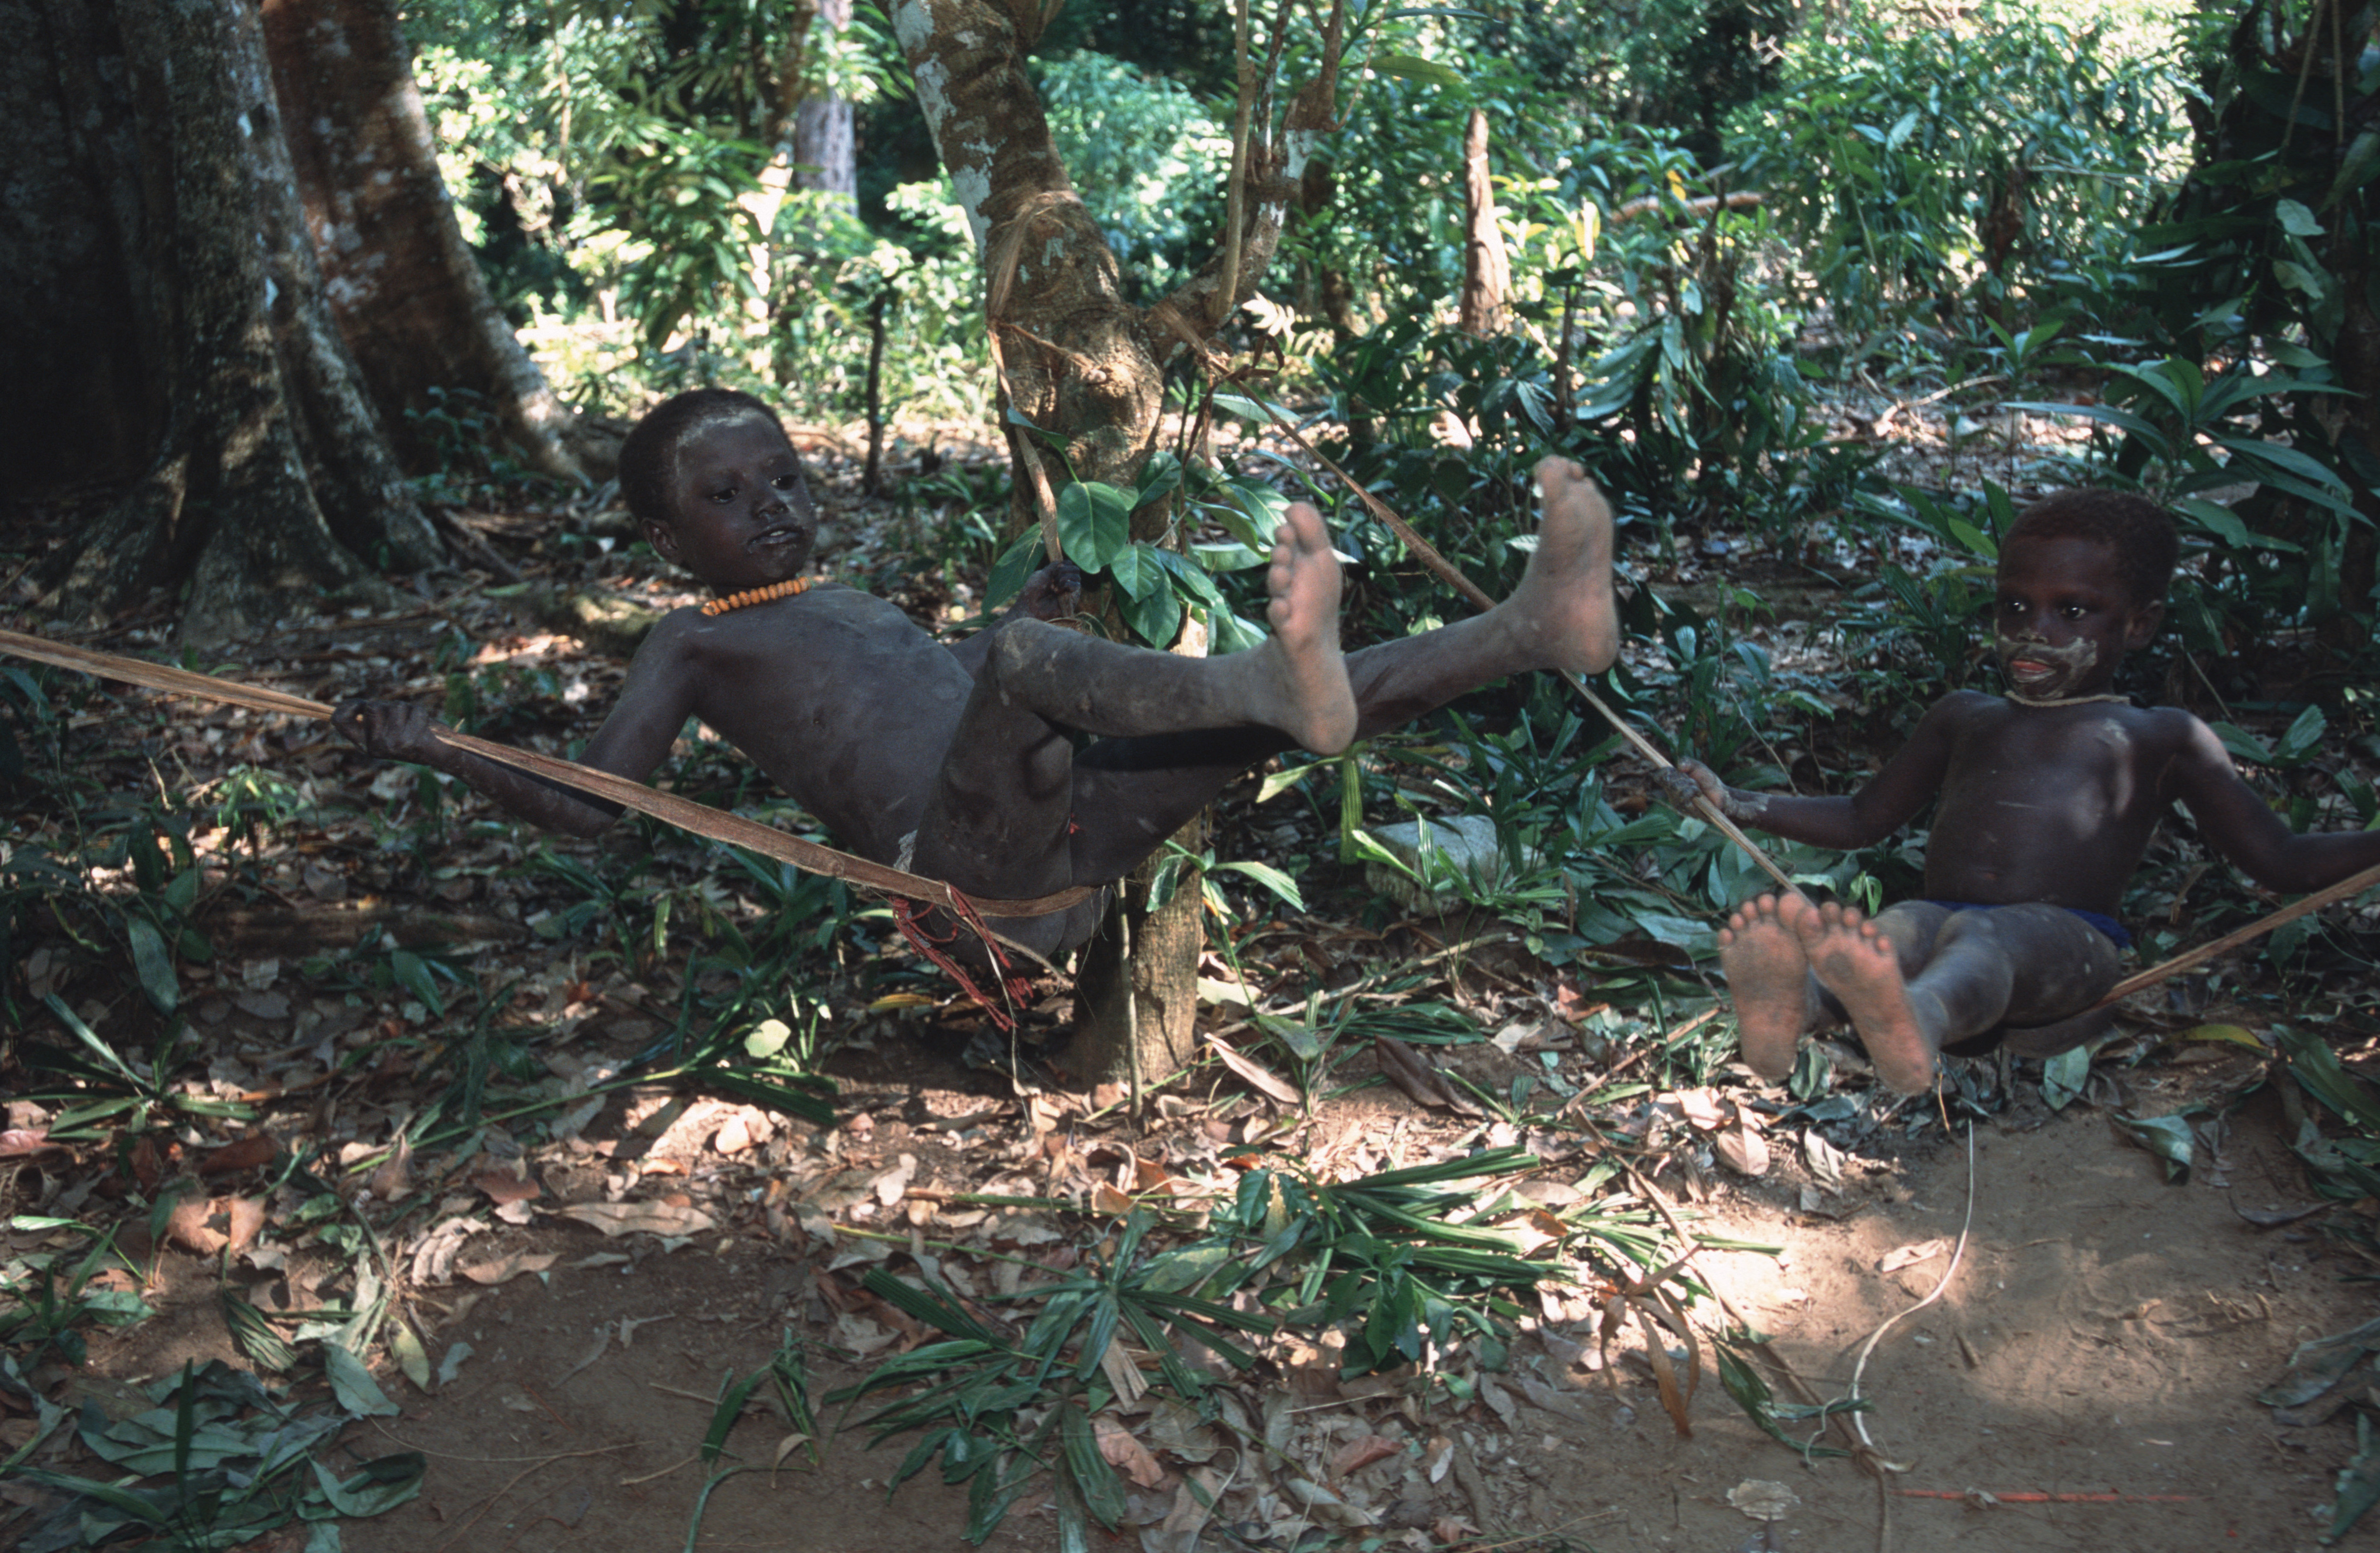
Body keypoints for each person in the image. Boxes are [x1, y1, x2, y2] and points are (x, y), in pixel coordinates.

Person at [337, 388, 1619, 968]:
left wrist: (1018, 614)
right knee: (1053, 668)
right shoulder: (692, 641)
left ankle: (1533, 628)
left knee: (1319, 679)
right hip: (969, 871)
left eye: (784, 476)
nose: (773, 506)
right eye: (727, 498)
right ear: (670, 545)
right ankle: (1271, 691)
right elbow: (591, 807)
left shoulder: (834, 600)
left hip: (1061, 825)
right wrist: (435, 746)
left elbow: (937, 692)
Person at [1664, 490, 2380, 1095]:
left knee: (1983, 936)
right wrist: (1736, 804)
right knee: (1899, 928)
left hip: (2073, 950)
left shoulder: (2162, 737)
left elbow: (2280, 858)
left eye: (2072, 612)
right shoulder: (1965, 716)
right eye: (2013, 606)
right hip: (1944, 918)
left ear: (2140, 623)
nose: (2032, 631)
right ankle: (1800, 1007)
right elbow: (1861, 817)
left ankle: (1916, 1020)